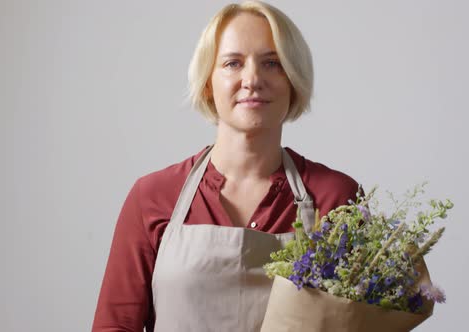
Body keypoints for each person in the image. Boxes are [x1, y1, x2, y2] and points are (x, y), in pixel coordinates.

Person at [92, 1, 360, 331]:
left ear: (293, 79)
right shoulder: (152, 197)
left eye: (272, 63)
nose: (252, 79)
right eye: (233, 63)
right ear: (208, 82)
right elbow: (115, 326)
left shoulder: (334, 197)